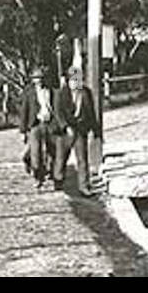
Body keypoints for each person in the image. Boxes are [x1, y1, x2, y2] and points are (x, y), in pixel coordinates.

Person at [53, 68, 100, 197]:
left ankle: (84, 186)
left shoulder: (85, 93)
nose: (75, 83)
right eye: (73, 80)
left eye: (78, 80)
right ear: (68, 81)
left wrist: (94, 129)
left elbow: (91, 112)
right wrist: (65, 126)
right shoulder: (60, 94)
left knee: (82, 159)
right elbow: (58, 113)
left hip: (80, 129)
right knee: (61, 158)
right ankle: (58, 180)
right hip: (64, 131)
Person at [18, 67, 56, 189]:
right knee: (35, 152)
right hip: (35, 125)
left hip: (49, 123)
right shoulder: (29, 92)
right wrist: (23, 130)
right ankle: (38, 177)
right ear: (32, 80)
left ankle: (51, 173)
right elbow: (24, 111)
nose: (38, 81)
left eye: (40, 78)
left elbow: (54, 107)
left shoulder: (50, 90)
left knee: (52, 150)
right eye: (35, 78)